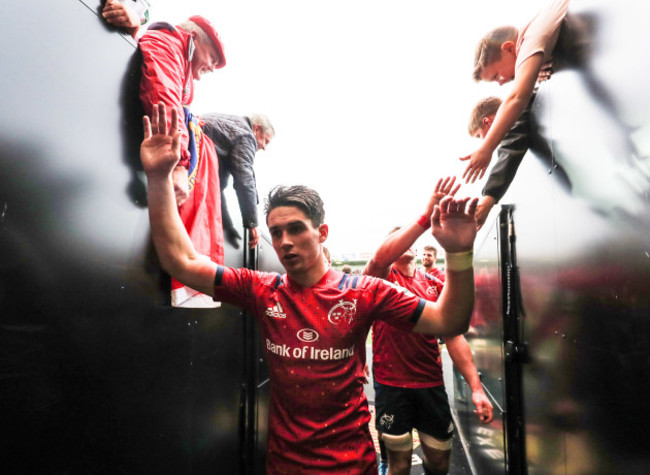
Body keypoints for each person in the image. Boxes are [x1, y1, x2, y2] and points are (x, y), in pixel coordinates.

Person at [140, 103, 480, 474]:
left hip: (351, 465)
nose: (285, 241)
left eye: (296, 229)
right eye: (276, 232)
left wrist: (459, 253)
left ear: (322, 233)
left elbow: (448, 321)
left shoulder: (363, 292)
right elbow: (181, 262)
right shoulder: (262, 289)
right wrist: (158, 178)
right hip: (285, 466)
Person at [364, 177, 493, 475]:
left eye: (406, 238)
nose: (403, 242)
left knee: (438, 462)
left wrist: (476, 387)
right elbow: (379, 257)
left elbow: (454, 337)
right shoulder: (381, 278)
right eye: (397, 238)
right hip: (391, 386)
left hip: (430, 384)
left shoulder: (433, 284)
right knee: (397, 464)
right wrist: (424, 216)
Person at [139, 15, 226, 306]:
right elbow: (163, 94)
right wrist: (177, 164)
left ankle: (194, 278)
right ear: (195, 39)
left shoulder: (183, 64)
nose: (212, 68)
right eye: (213, 58)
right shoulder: (169, 42)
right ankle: (190, 282)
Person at [460, 0, 570, 184]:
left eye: (496, 76)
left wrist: (486, 150)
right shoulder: (535, 36)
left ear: (509, 48)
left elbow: (516, 98)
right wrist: (535, 71)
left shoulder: (529, 39)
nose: (502, 83)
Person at [467, 95, 571, 228]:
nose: (482, 141)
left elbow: (511, 145)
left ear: (487, 122)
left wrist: (487, 200)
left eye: (479, 136)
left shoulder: (520, 111)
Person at [200, 113, 275, 249]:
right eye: (266, 141)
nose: (264, 147)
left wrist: (228, 227)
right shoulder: (246, 135)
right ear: (256, 129)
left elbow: (218, 188)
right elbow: (245, 181)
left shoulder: (230, 129)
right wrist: (252, 224)